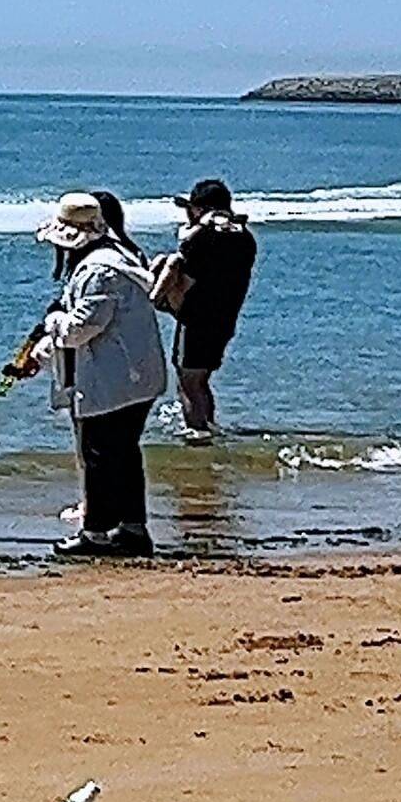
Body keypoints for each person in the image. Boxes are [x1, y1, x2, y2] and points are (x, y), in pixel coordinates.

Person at [22, 191, 168, 557]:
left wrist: (52, 321)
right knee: (123, 454)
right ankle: (132, 529)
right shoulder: (118, 258)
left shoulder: (98, 270)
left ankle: (96, 533)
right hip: (135, 376)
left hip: (115, 378)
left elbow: (80, 329)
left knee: (99, 455)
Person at [158, 177, 258, 438]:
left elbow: (187, 280)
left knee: (189, 381)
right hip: (225, 318)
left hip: (196, 318)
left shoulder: (201, 238)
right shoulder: (245, 238)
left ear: (200, 209)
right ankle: (208, 429)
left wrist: (159, 299)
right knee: (201, 380)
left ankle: (198, 435)